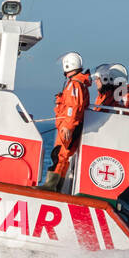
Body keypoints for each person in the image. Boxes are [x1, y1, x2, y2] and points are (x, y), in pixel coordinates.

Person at [43, 52, 90, 191]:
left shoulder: (74, 85)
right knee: (62, 156)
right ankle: (56, 186)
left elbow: (72, 107)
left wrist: (68, 127)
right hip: (70, 125)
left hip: (68, 126)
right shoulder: (79, 84)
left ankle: (51, 186)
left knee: (60, 154)